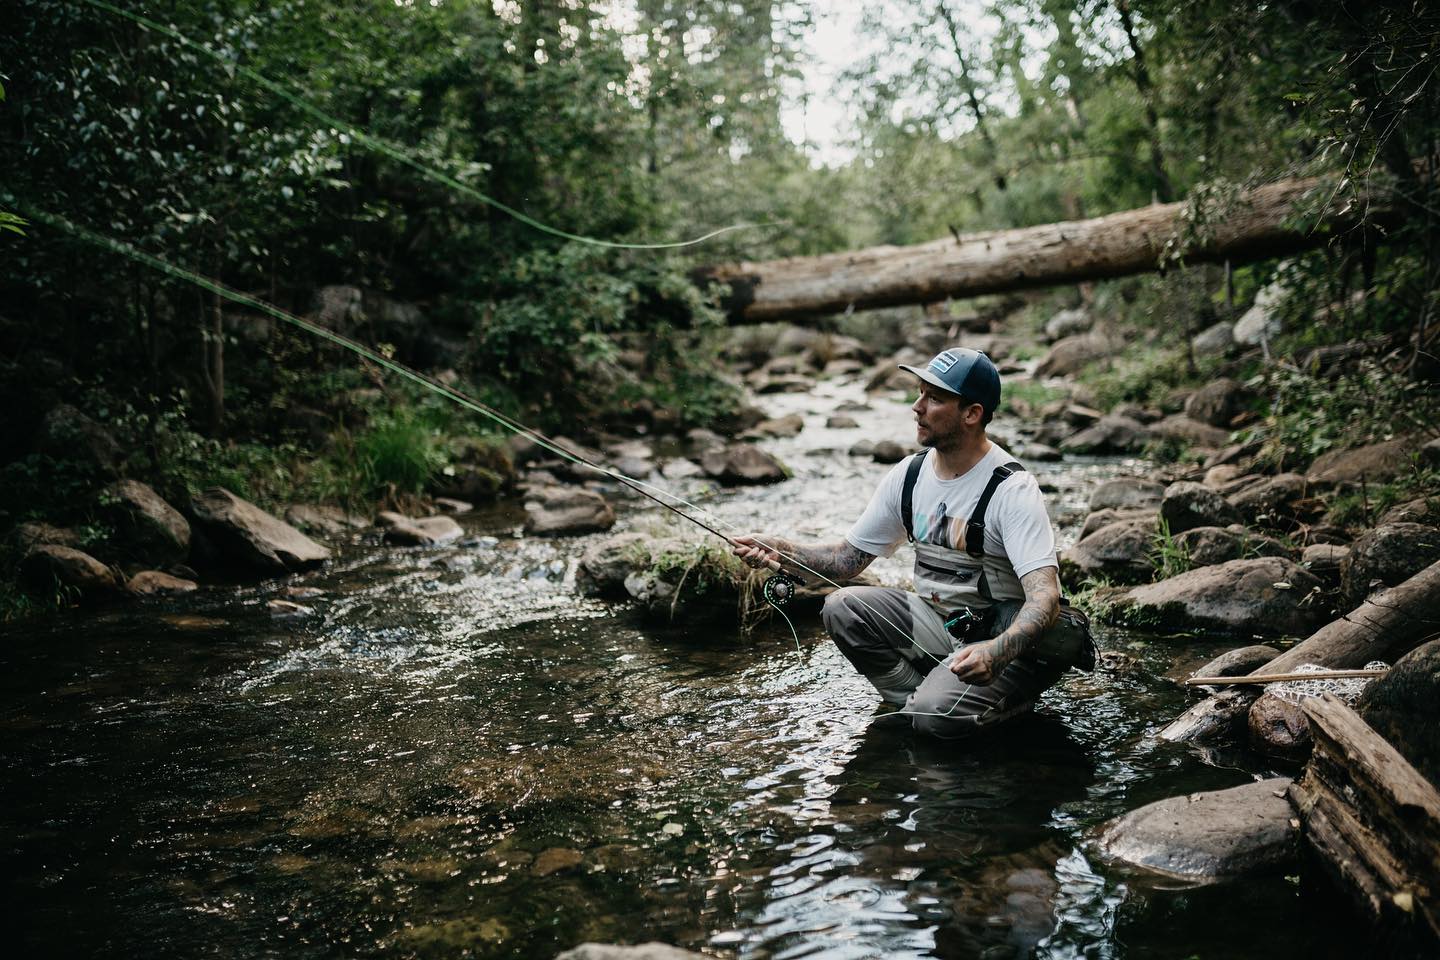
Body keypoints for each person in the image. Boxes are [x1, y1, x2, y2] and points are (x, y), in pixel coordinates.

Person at [733, 347, 1091, 738]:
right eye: (920, 393)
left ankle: (981, 706)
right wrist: (779, 549)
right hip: (943, 623)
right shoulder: (909, 474)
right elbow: (846, 561)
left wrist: (996, 652)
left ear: (972, 414)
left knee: (937, 716)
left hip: (1007, 644)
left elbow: (1045, 600)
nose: (917, 407)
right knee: (842, 607)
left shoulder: (1012, 489)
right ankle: (917, 707)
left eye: (934, 398)